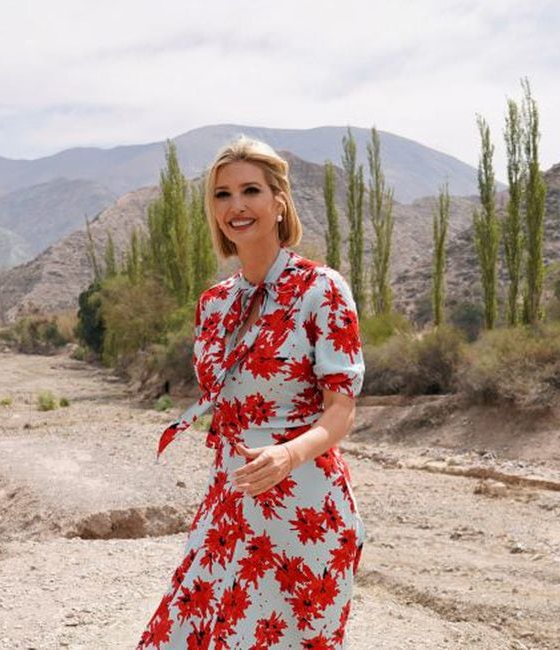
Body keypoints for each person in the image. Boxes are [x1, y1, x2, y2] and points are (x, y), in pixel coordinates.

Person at [138, 137, 365, 649]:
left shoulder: (321, 289)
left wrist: (286, 455)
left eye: (250, 191)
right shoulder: (214, 303)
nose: (236, 206)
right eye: (222, 195)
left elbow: (341, 411)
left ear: (278, 201)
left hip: (304, 510)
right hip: (228, 501)